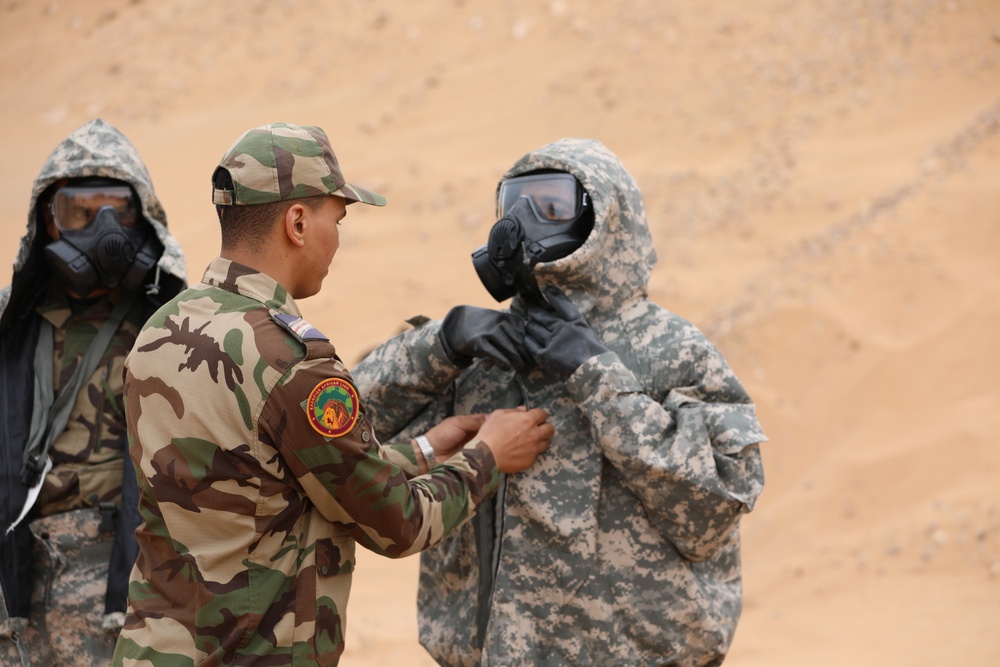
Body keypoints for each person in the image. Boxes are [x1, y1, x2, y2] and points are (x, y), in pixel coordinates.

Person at [111, 122, 553, 667]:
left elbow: (267, 475)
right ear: (297, 222)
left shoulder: (163, 326)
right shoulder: (292, 362)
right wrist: (488, 456)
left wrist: (425, 450)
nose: (337, 239)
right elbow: (397, 524)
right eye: (336, 219)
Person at [353, 138, 768, 666]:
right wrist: (437, 343)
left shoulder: (674, 351)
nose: (526, 221)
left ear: (604, 218)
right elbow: (342, 446)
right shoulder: (478, 351)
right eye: (515, 204)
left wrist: (596, 375)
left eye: (552, 206)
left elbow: (711, 510)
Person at [0, 118, 188, 665]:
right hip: (17, 592)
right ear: (47, 222)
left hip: (129, 587)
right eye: (80, 212)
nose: (104, 228)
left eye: (119, 211)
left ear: (143, 217)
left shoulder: (178, 325)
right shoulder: (10, 325)